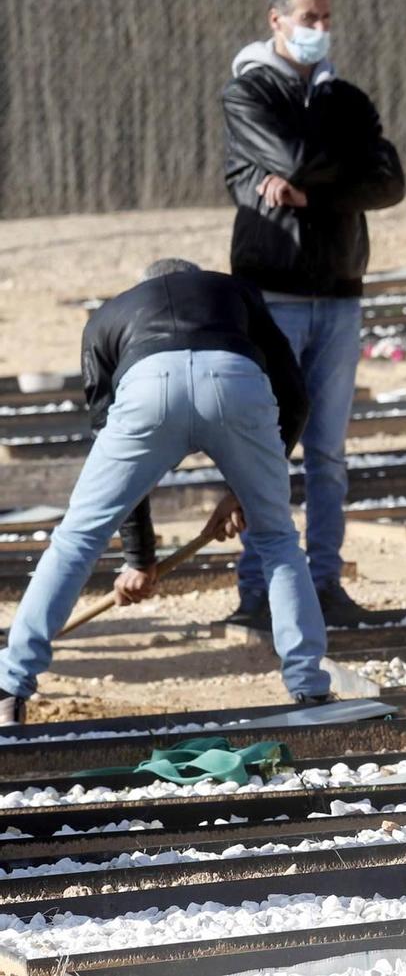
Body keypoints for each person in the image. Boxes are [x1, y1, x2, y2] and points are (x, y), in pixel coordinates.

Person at [0, 260, 329, 725]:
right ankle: (310, 689)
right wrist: (246, 489)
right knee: (276, 540)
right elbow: (294, 395)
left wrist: (140, 558)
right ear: (194, 279)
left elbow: (106, 435)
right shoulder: (235, 293)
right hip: (233, 380)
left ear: (145, 290)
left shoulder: (105, 317)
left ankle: (10, 687)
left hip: (147, 386)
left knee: (76, 541)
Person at [222, 0, 406, 631]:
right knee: (264, 443)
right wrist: (338, 165)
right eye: (308, 15)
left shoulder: (345, 95)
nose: (320, 27)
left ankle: (324, 580)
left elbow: (389, 182)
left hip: (340, 292)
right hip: (272, 291)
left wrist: (314, 190)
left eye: (327, 16)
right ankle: (257, 588)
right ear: (276, 20)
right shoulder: (248, 92)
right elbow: (291, 154)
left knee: (328, 451)